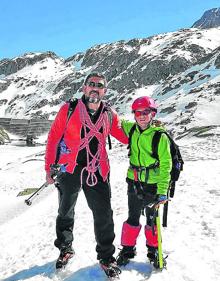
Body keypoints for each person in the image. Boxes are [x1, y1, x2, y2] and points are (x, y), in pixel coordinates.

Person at [45, 73, 128, 276]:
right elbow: (54, 136)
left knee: (103, 214)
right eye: (91, 84)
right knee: (65, 211)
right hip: (69, 169)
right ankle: (65, 248)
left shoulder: (109, 114)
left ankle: (107, 257)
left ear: (104, 91)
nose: (95, 88)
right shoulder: (69, 109)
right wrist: (49, 168)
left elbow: (124, 135)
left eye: (99, 85)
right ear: (84, 88)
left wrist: (147, 131)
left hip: (97, 170)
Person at [116, 96, 172, 268]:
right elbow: (117, 121)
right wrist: (105, 107)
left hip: (153, 185)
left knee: (151, 218)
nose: (141, 116)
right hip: (133, 182)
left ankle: (153, 250)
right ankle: (127, 249)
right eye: (138, 112)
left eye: (146, 112)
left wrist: (163, 190)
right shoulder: (131, 129)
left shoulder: (159, 136)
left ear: (152, 113)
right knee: (132, 216)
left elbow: (166, 164)